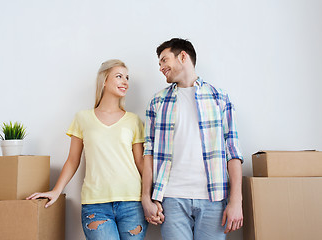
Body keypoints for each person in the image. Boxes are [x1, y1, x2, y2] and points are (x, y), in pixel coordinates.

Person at [27, 59, 148, 240]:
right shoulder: (83, 118)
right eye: (119, 76)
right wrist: (56, 190)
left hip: (132, 202)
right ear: (104, 80)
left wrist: (153, 196)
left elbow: (140, 161)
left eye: (127, 78)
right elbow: (73, 160)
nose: (125, 82)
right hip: (95, 205)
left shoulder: (133, 120)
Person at [141, 38, 244, 240]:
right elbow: (149, 152)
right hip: (171, 199)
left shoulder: (219, 98)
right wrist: (146, 197)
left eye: (164, 60)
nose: (161, 67)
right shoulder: (157, 101)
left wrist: (236, 201)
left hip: (214, 199)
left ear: (183, 56)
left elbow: (233, 152)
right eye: (160, 63)